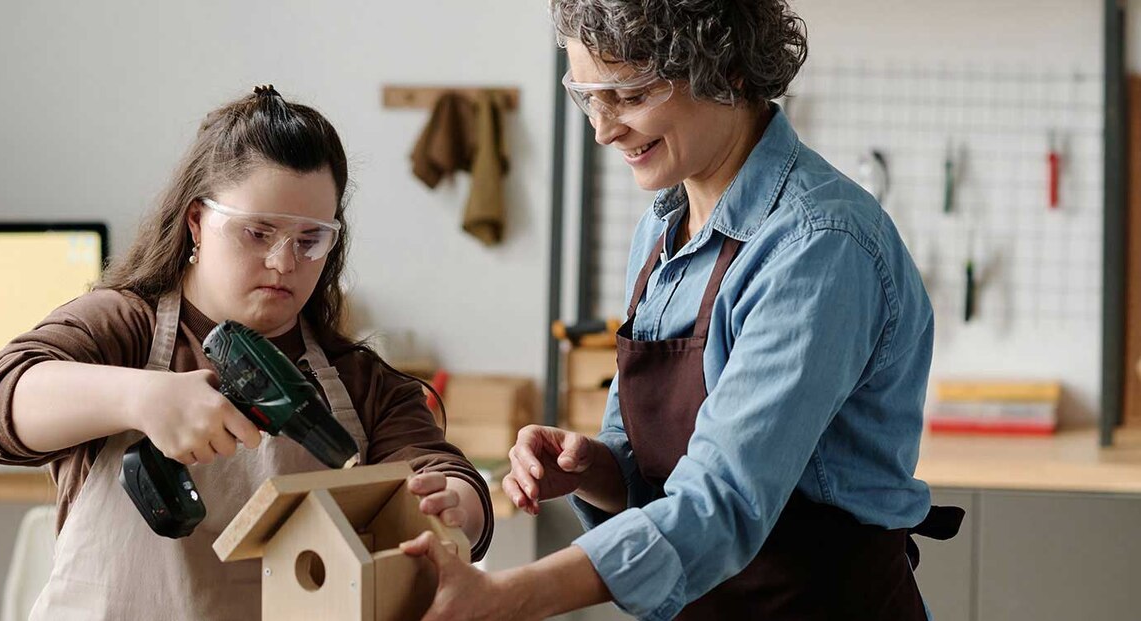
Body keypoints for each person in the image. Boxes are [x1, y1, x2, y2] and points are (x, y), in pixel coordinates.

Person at [402, 2, 961, 619]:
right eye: (589, 96)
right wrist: (595, 467)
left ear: (726, 68)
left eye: (630, 94)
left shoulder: (818, 246)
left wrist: (507, 596)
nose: (603, 129)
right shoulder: (661, 231)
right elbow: (655, 469)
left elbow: (723, 499)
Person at [0, 85, 492, 620]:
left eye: (311, 239)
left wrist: (454, 505)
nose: (284, 263)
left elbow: (450, 480)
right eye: (258, 232)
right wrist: (141, 397)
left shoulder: (359, 381)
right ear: (197, 221)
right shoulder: (124, 328)